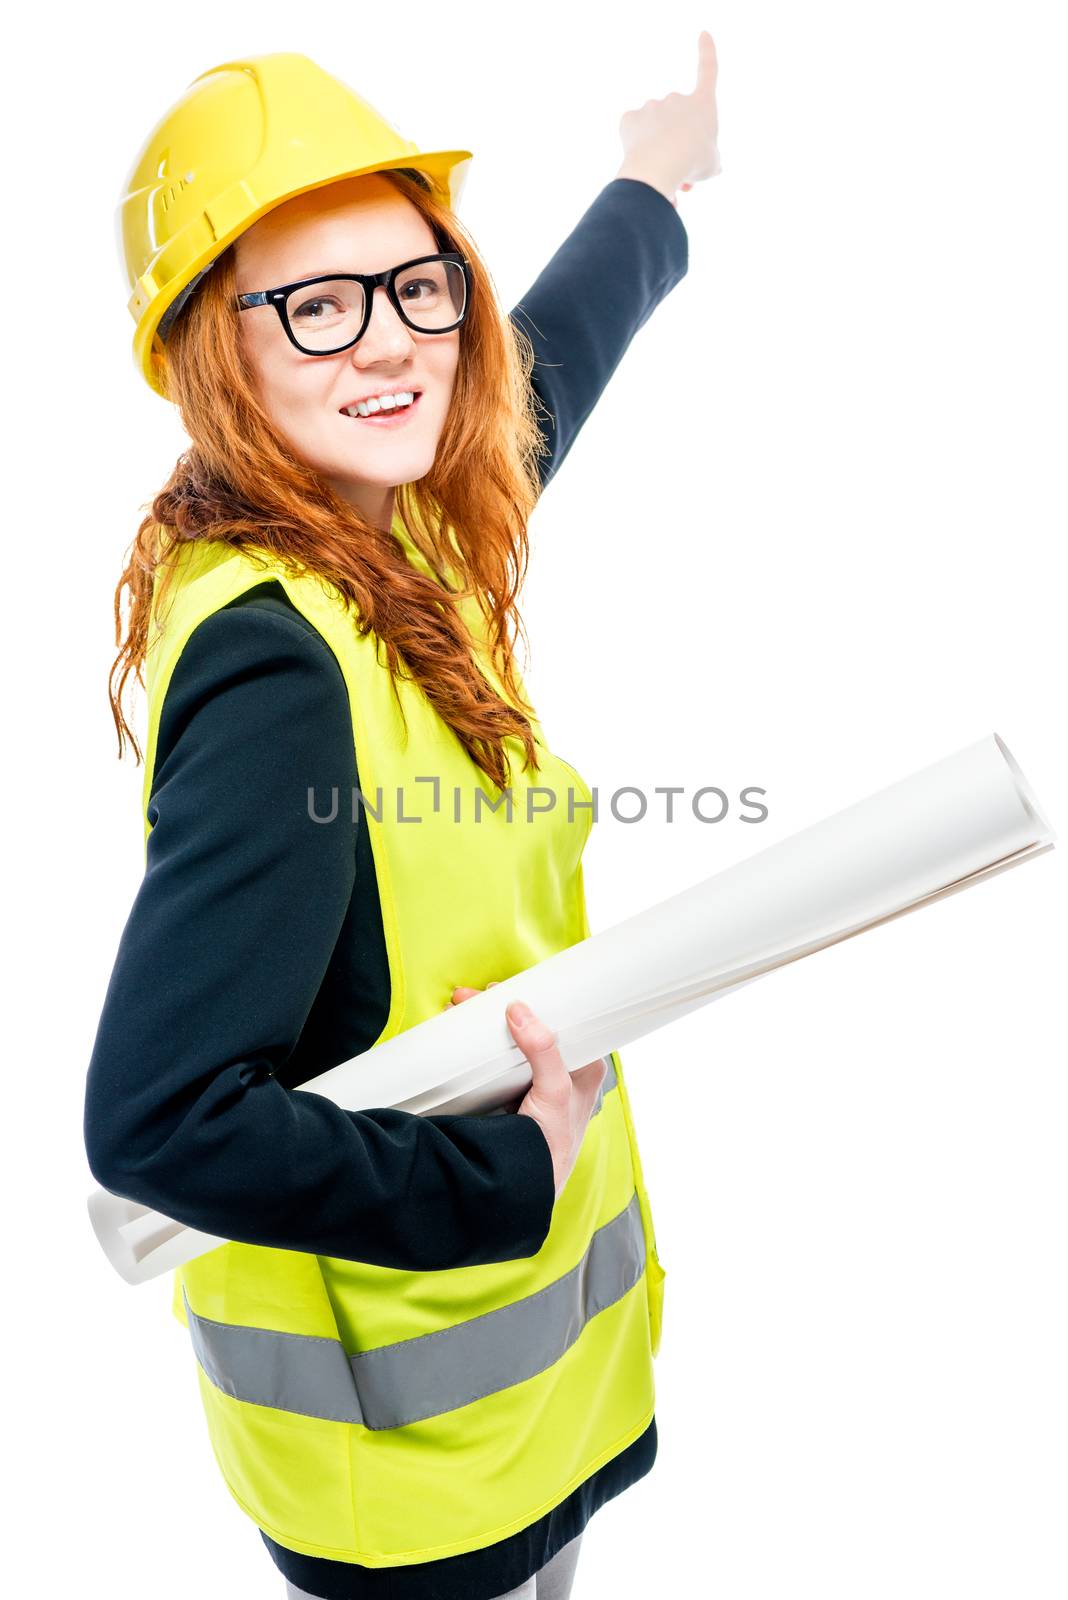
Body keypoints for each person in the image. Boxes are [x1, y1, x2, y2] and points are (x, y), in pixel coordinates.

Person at [84, 37, 721, 1600]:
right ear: (202, 354)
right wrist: (501, 1189)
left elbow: (549, 363)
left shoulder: (395, 525)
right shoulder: (277, 654)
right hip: (406, 1456)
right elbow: (158, 1119)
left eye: (418, 282)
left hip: (510, 1413)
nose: (393, 347)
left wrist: (657, 174)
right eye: (314, 305)